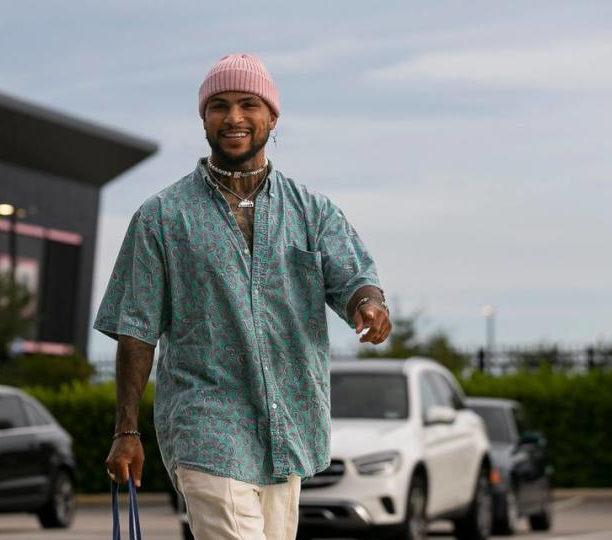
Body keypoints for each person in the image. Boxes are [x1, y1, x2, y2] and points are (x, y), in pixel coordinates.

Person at [96, 53, 392, 540]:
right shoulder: (162, 217)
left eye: (248, 104)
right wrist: (126, 431)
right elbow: (136, 329)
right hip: (204, 424)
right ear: (204, 118)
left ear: (271, 117)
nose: (233, 117)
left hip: (291, 423)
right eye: (219, 106)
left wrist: (368, 305)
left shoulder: (313, 212)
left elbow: (354, 276)